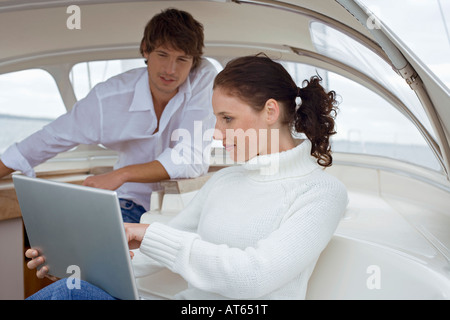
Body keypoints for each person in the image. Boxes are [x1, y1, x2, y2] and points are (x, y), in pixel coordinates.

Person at [26, 54, 348, 300]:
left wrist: (151, 233)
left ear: (270, 112)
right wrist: (75, 264)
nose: (217, 134)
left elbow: (253, 276)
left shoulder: (321, 192)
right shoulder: (225, 182)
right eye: (216, 120)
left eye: (227, 119)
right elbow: (151, 254)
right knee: (69, 290)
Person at [0, 9, 217, 223]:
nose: (171, 69)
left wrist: (121, 174)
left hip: (184, 208)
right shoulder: (108, 98)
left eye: (182, 59)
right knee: (78, 243)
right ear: (145, 50)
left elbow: (190, 157)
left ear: (194, 61)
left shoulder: (203, 77)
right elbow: (51, 138)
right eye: (162, 55)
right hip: (130, 202)